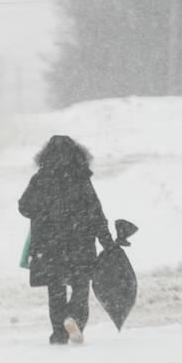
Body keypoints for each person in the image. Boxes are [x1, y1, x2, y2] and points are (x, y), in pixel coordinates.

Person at [18, 135, 115, 345]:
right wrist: (106, 240)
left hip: (49, 245)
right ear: (76, 154)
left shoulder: (40, 179)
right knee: (81, 287)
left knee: (56, 290)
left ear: (46, 155)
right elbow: (95, 212)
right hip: (80, 243)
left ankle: (59, 333)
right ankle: (74, 318)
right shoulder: (81, 178)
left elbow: (24, 206)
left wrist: (43, 213)